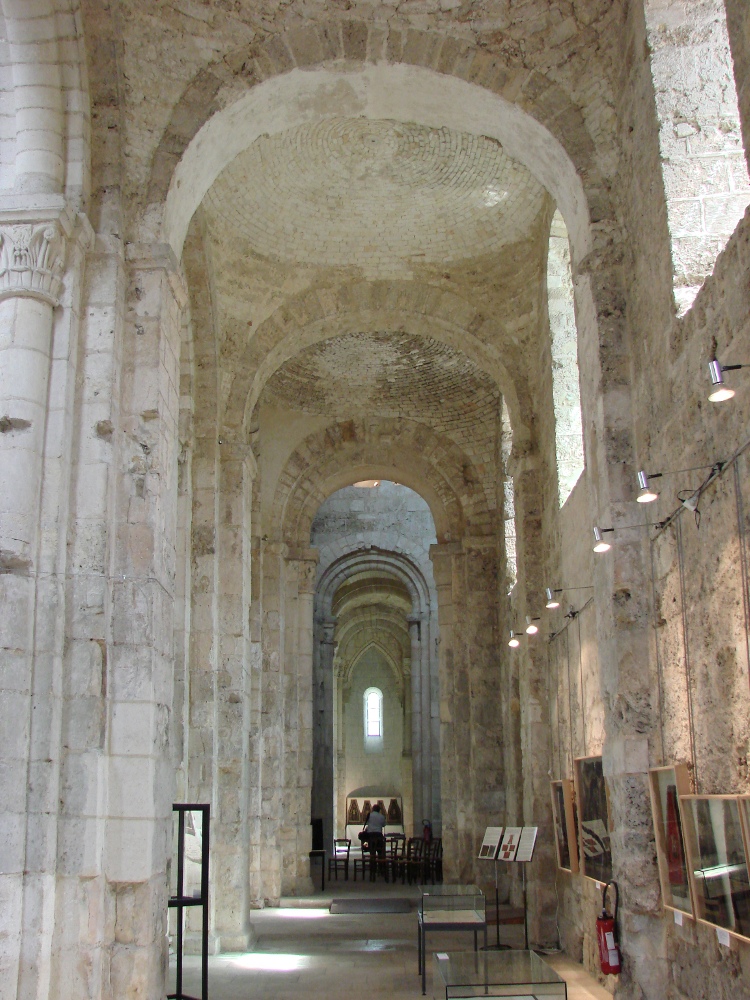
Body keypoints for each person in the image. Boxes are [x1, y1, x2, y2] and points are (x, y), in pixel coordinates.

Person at [365, 804, 387, 881]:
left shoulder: (369, 815)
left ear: (373, 809)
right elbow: (384, 825)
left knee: (372, 852)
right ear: (379, 810)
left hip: (371, 836)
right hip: (379, 835)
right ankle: (381, 869)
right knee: (380, 853)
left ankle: (372, 868)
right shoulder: (382, 816)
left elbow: (367, 823)